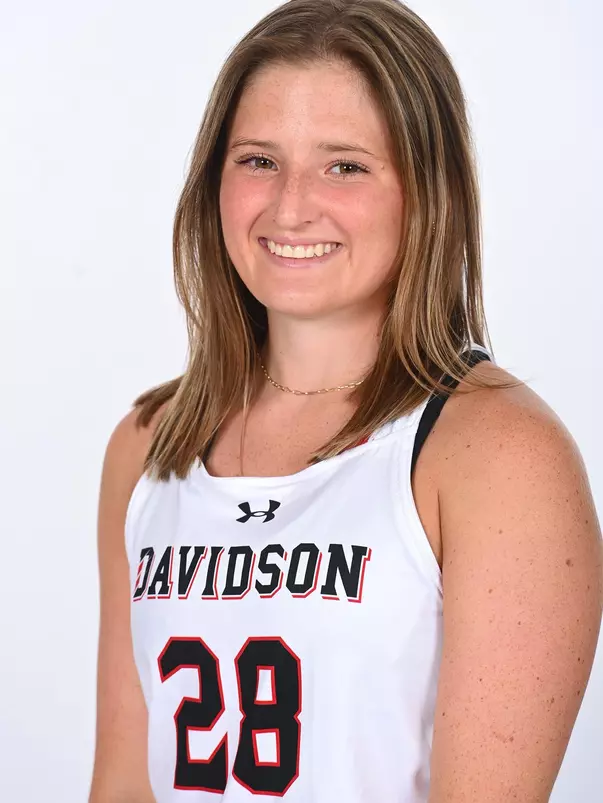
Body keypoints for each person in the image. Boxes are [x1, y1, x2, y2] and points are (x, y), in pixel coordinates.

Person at [88, 1, 602, 801]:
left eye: (345, 165)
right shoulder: (149, 445)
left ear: (425, 192)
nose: (290, 206)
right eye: (258, 160)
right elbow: (121, 785)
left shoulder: (494, 455)